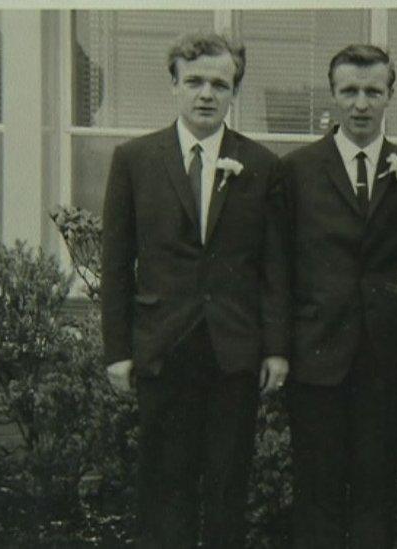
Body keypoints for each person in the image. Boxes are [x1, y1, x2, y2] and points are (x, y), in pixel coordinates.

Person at [100, 32, 290, 548]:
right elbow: (116, 262)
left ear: (234, 93)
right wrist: (117, 349)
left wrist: (275, 347)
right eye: (195, 82)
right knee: (164, 480)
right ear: (174, 86)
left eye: (220, 84)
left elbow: (273, 266)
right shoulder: (135, 159)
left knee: (229, 481)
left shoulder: (262, 165)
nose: (206, 94)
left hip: (233, 347)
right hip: (164, 344)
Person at [280, 44, 397, 549]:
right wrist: (282, 347)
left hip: (385, 354)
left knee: (376, 488)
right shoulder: (298, 169)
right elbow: (281, 265)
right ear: (333, 94)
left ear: (390, 95)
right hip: (317, 352)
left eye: (373, 91)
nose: (361, 104)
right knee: (317, 488)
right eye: (349, 91)